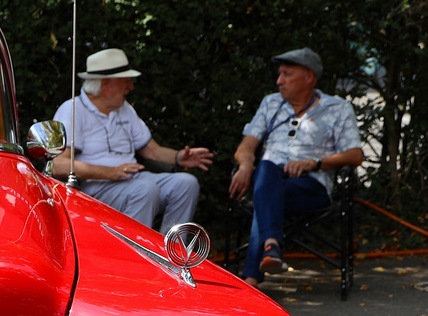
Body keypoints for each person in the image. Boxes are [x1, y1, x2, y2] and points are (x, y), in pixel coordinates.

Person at [228, 48, 363, 287]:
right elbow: (247, 144)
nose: (278, 80)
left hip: (311, 187)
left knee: (265, 199)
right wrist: (246, 165)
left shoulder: (337, 109)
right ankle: (270, 249)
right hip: (269, 180)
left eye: (286, 74)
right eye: (279, 74)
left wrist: (316, 163)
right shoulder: (271, 103)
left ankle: (251, 278)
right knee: (267, 168)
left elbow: (355, 155)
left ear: (309, 77)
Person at [51, 48, 213, 233]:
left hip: (133, 179)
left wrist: (178, 157)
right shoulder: (73, 109)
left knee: (186, 183)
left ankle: (171, 255)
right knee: (145, 189)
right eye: (125, 81)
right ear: (105, 84)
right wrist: (109, 172)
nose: (131, 87)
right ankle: (134, 257)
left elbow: (151, 150)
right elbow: (59, 165)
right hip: (96, 187)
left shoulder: (124, 108)